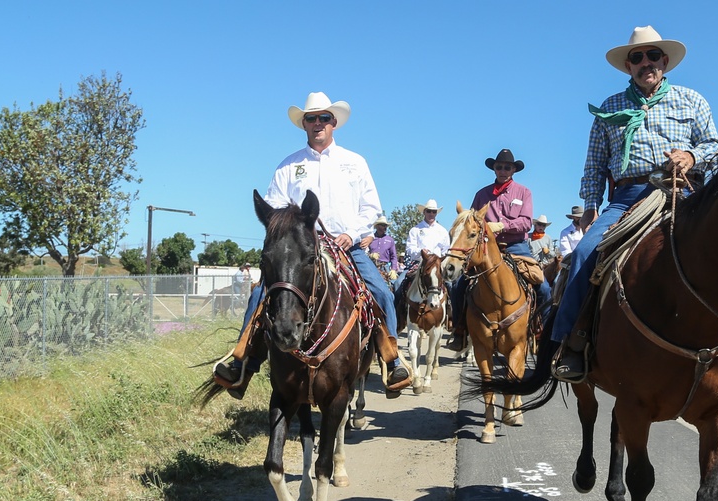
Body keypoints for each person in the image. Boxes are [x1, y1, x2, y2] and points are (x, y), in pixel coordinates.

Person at [551, 26, 718, 382]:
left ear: (665, 61)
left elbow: (714, 146)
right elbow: (595, 164)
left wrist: (691, 156)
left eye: (653, 56)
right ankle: (572, 340)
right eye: (638, 57)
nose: (647, 63)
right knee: (584, 253)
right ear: (628, 66)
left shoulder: (693, 101)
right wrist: (590, 207)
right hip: (628, 197)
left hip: (683, 191)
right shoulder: (610, 108)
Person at [214, 91, 410, 397]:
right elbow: (276, 211)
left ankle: (392, 359)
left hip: (346, 246)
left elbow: (371, 210)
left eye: (323, 118)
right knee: (260, 296)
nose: (318, 123)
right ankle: (243, 362)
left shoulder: (355, 163)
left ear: (334, 123)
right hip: (302, 248)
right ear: (303, 124)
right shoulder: (288, 166)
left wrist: (352, 234)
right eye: (311, 118)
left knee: (381, 292)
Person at [448, 149, 552, 351]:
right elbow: (471, 222)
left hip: (517, 246)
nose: (503, 170)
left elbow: (526, 223)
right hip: (486, 248)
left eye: (507, 167)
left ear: (513, 170)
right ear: (494, 169)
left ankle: (543, 333)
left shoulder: (524, 192)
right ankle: (460, 330)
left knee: (544, 287)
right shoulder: (481, 194)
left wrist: (502, 225)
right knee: (459, 284)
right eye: (499, 167)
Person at [368, 215, 399, 288]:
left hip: (385, 266)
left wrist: (393, 269)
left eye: (386, 225)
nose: (385, 227)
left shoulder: (390, 240)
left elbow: (393, 256)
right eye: (383, 225)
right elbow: (363, 251)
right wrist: (370, 255)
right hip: (371, 265)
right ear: (377, 226)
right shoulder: (370, 238)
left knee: (393, 285)